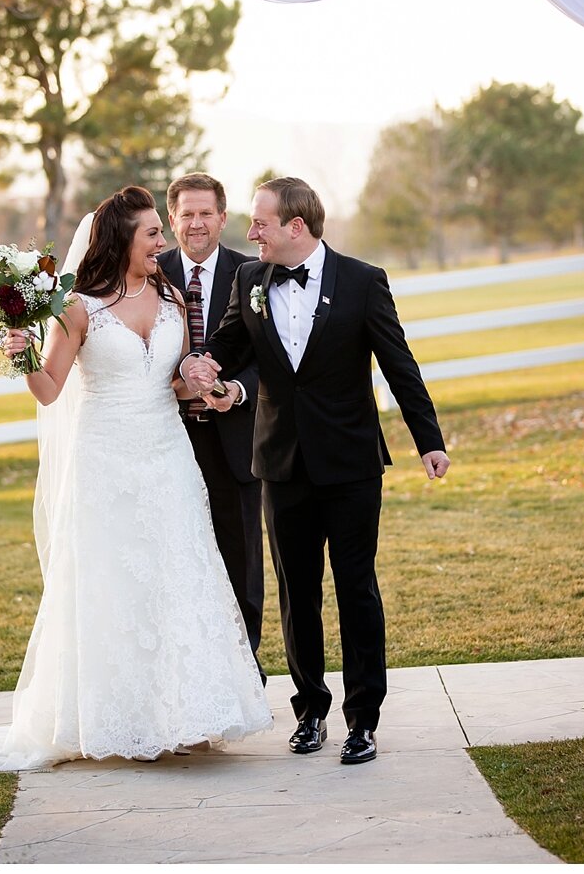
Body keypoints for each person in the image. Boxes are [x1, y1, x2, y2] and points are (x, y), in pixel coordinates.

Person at [0, 186, 270, 777]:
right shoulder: (78, 308)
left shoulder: (167, 297)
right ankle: (115, 718)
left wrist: (199, 378)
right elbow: (50, 390)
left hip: (166, 456)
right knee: (110, 585)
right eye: (152, 233)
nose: (165, 241)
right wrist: (23, 351)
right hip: (104, 459)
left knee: (178, 574)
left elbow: (175, 382)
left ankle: (182, 715)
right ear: (121, 241)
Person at [183, 177, 449, 766]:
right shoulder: (250, 280)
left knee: (357, 590)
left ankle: (363, 721)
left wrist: (428, 442)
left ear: (295, 227)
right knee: (295, 592)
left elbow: (400, 366)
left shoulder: (362, 281)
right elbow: (230, 341)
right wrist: (204, 362)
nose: (249, 233)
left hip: (351, 464)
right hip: (280, 463)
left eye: (259, 222)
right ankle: (310, 711)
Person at [157, 173, 265, 661]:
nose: (196, 223)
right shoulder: (145, 274)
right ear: (171, 220)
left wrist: (238, 390)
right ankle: (187, 670)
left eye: (206, 213)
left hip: (236, 439)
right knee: (174, 563)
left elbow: (273, 355)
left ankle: (245, 673)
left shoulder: (254, 273)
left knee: (241, 563)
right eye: (187, 214)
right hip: (164, 440)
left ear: (224, 217)